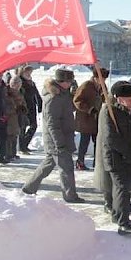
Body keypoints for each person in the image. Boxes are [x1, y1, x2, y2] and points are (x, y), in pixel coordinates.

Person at [22, 68, 85, 203]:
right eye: (69, 82)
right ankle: (70, 196)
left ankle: (29, 188)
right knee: (66, 168)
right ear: (61, 82)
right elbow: (52, 123)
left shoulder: (63, 94)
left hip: (63, 136)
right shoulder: (53, 98)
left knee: (48, 164)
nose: (70, 84)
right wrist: (59, 143)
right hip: (57, 138)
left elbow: (69, 109)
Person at [95, 81, 131, 235]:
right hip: (115, 157)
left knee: (124, 188)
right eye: (128, 100)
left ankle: (118, 216)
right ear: (118, 99)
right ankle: (123, 224)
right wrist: (127, 152)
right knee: (122, 189)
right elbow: (111, 138)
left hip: (129, 157)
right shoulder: (108, 111)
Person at [73, 67, 109, 170]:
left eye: (105, 79)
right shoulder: (86, 85)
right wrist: (89, 109)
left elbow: (106, 98)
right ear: (96, 77)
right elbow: (77, 100)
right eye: (102, 78)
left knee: (98, 141)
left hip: (97, 119)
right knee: (85, 141)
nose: (103, 81)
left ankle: (97, 163)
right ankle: (80, 162)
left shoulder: (102, 87)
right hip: (86, 119)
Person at [19, 65, 42, 154]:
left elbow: (36, 94)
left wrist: (40, 104)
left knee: (33, 126)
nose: (29, 73)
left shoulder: (31, 82)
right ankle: (22, 146)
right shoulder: (20, 81)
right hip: (23, 107)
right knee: (23, 127)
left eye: (30, 72)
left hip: (32, 106)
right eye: (27, 71)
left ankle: (24, 144)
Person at [5, 76, 27, 162]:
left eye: (18, 84)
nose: (16, 86)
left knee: (15, 135)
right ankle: (8, 154)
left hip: (17, 117)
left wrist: (23, 108)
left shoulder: (20, 93)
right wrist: (14, 108)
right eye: (14, 84)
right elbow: (6, 105)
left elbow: (23, 102)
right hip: (10, 117)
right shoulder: (7, 93)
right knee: (9, 136)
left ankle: (13, 153)